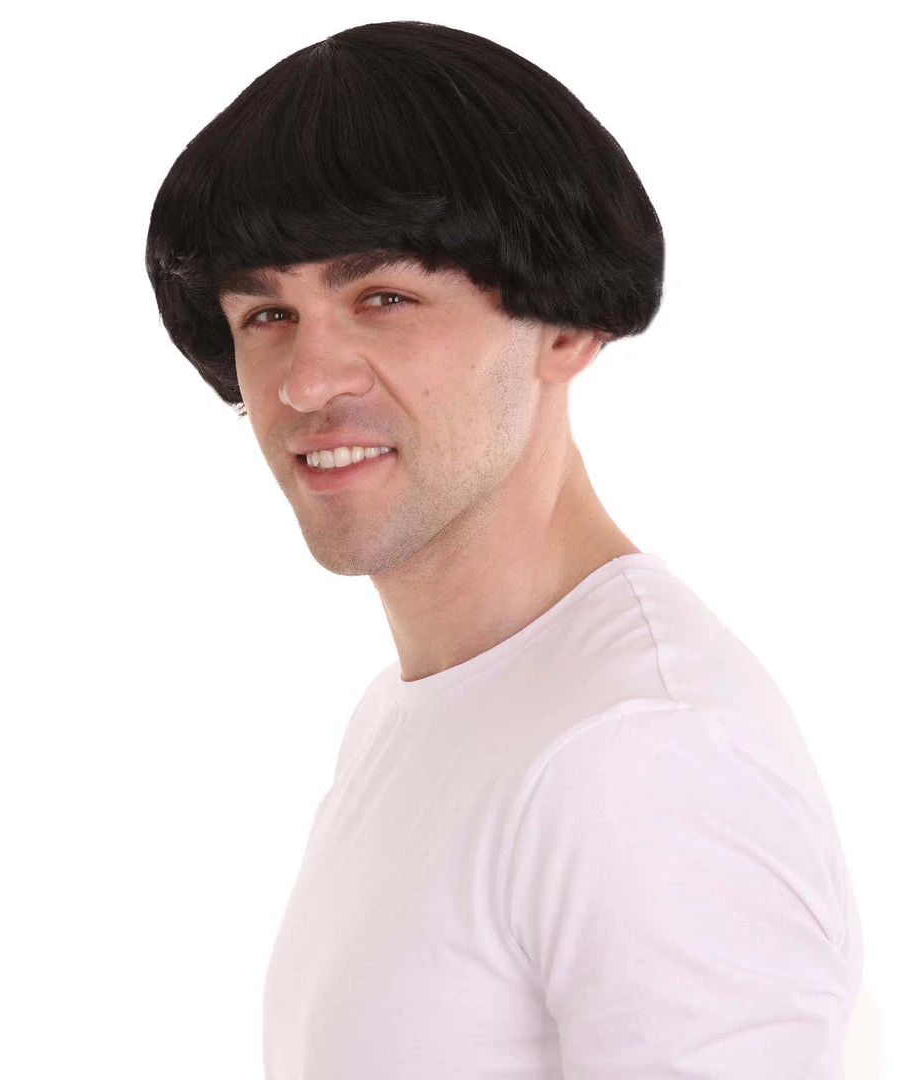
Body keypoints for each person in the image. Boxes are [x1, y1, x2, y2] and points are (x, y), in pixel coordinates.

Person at [145, 20, 863, 1079]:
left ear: (565, 326)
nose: (305, 381)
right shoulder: (421, 709)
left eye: (383, 299)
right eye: (265, 315)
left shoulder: (639, 752)